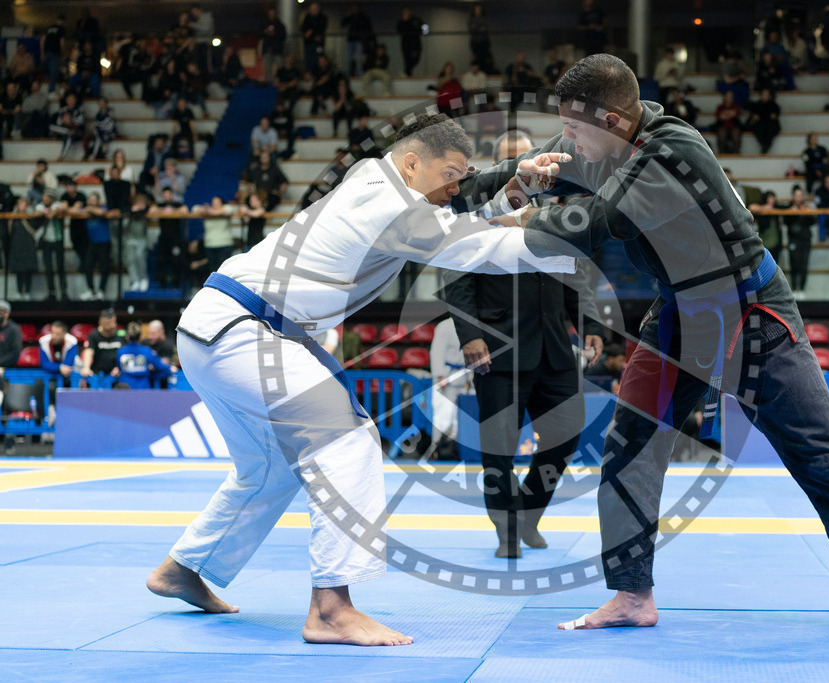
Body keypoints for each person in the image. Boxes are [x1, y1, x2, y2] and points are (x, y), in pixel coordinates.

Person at [471, 54, 829, 641]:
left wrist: (500, 227)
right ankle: (632, 594)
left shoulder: (672, 153)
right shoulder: (603, 140)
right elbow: (545, 165)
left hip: (747, 312)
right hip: (677, 314)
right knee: (630, 447)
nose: (564, 138)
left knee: (820, 451)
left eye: (572, 127)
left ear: (613, 119)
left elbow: (594, 221)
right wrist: (496, 180)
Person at [145, 113, 575, 645]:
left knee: (271, 467)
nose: (455, 188)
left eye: (462, 177)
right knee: (347, 441)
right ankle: (330, 609)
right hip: (245, 329)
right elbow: (471, 246)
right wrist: (567, 238)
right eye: (450, 174)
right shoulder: (384, 202)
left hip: (219, 327)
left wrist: (512, 185)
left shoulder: (381, 183)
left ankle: (184, 568)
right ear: (413, 162)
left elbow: (457, 216)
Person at [443, 130, 603, 558]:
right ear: (498, 169)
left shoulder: (554, 216)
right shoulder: (474, 219)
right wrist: (470, 335)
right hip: (497, 349)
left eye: (530, 157)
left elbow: (576, 274)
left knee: (565, 436)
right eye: (514, 160)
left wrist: (589, 324)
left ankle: (529, 511)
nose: (527, 165)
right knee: (498, 448)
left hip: (553, 346)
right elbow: (454, 280)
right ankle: (506, 530)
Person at [428, 317, 468, 459]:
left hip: (463, 375)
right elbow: (436, 352)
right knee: (442, 415)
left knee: (459, 418)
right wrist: (439, 375)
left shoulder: (469, 323)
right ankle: (436, 448)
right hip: (446, 375)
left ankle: (455, 449)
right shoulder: (444, 326)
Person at [116, 322, 174, 389]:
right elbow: (165, 369)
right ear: (140, 337)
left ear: (127, 337)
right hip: (143, 390)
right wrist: (152, 374)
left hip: (125, 389)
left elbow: (119, 369)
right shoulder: (146, 351)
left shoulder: (120, 352)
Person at [33, 192, 67, 301]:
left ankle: (63, 291)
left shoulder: (56, 204)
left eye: (47, 198)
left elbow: (56, 211)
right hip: (46, 240)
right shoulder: (40, 206)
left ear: (51, 199)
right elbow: (38, 212)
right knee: (48, 267)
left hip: (57, 239)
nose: (45, 200)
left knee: (60, 266)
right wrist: (48, 211)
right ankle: (51, 291)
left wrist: (49, 211)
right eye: (43, 198)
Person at [784, 186, 815, 300]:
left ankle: (802, 289)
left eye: (800, 195)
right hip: (793, 239)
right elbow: (786, 222)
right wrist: (791, 212)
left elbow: (812, 222)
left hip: (805, 240)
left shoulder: (806, 208)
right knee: (794, 264)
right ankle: (794, 289)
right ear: (793, 196)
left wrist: (806, 213)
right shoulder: (788, 208)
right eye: (796, 195)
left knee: (804, 264)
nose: (798, 197)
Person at [81, 193, 113, 301]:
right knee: (87, 265)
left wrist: (90, 210)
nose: (91, 201)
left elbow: (103, 212)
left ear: (98, 201)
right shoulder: (86, 209)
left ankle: (101, 291)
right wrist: (87, 209)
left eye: (94, 199)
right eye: (90, 199)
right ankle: (91, 290)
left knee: (104, 267)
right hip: (92, 243)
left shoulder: (102, 207)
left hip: (104, 242)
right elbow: (74, 211)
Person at [80, 308, 126, 380]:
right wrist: (86, 367)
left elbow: (125, 354)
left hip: (116, 373)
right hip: (97, 373)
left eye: (113, 322)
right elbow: (89, 352)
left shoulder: (121, 334)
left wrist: (120, 367)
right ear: (100, 322)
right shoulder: (93, 335)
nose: (112, 326)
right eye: (108, 323)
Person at [6, 198, 38, 300]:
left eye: (24, 204)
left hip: (28, 246)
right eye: (20, 204)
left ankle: (27, 292)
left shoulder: (30, 216)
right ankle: (19, 291)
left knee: (28, 269)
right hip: (17, 246)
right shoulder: (13, 217)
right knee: (18, 270)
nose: (22, 206)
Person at [746, 89, 780, 155]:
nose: (765, 96)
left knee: (770, 128)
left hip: (770, 124)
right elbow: (753, 117)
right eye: (764, 94)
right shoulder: (757, 105)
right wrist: (754, 118)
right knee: (758, 128)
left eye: (767, 94)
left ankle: (765, 145)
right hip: (760, 125)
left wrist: (773, 116)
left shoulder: (773, 105)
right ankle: (765, 145)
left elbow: (775, 115)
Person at [340, 3, 370, 77]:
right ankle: (348, 73)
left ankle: (358, 73)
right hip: (351, 39)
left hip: (359, 40)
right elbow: (343, 24)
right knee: (349, 58)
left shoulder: (363, 16)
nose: (354, 10)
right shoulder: (351, 16)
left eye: (355, 8)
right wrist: (347, 16)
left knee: (358, 58)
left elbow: (366, 27)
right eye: (353, 8)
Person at [301, 1, 328, 73]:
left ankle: (318, 74)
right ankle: (309, 74)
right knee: (309, 61)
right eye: (311, 9)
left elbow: (321, 29)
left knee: (319, 60)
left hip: (318, 44)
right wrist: (307, 34)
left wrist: (311, 33)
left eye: (314, 9)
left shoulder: (322, 18)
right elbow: (303, 29)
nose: (313, 11)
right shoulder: (307, 17)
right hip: (308, 43)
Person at [260, 8, 287, 82]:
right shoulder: (264, 24)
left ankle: (279, 82)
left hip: (277, 50)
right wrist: (266, 32)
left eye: (273, 13)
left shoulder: (280, 25)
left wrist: (275, 34)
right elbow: (260, 35)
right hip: (267, 49)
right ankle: (270, 83)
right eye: (270, 13)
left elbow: (283, 36)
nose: (271, 15)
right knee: (268, 68)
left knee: (279, 67)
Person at [396, 7, 423, 78]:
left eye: (407, 12)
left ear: (410, 12)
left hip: (415, 43)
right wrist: (404, 21)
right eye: (404, 13)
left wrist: (423, 32)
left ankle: (407, 72)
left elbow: (424, 27)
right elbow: (398, 30)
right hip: (405, 43)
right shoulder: (401, 22)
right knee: (407, 59)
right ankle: (408, 74)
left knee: (416, 58)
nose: (406, 14)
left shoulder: (416, 20)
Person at [714, 90, 742, 154]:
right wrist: (730, 114)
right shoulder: (720, 107)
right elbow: (720, 116)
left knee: (736, 132)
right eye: (728, 96)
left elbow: (735, 113)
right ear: (725, 97)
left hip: (733, 126)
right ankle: (722, 152)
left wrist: (726, 114)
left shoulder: (736, 106)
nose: (729, 98)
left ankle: (736, 152)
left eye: (731, 96)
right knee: (722, 132)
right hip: (723, 126)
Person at [468, 4, 493, 74]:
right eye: (476, 10)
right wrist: (479, 29)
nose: (478, 11)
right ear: (474, 11)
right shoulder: (471, 19)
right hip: (475, 42)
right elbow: (472, 29)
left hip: (484, 42)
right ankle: (475, 74)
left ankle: (485, 73)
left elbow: (485, 29)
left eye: (479, 10)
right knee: (476, 59)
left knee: (485, 59)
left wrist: (478, 28)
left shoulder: (485, 19)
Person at [0, 301, 22, 369]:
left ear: (7, 314)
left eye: (1, 311)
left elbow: (16, 352)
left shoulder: (14, 329)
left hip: (8, 368)